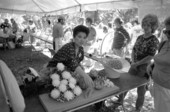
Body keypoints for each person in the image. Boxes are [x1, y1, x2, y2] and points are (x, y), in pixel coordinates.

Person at [114, 14, 159, 112]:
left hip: (144, 67)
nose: (146, 27)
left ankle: (138, 108)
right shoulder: (140, 37)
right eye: (145, 24)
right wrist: (133, 62)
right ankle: (120, 100)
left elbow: (150, 56)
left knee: (141, 89)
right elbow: (134, 50)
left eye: (149, 25)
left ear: (153, 27)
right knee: (125, 83)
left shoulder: (154, 40)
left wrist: (137, 64)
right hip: (134, 64)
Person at [47, 25, 94, 97]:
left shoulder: (81, 49)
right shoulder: (69, 47)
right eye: (79, 36)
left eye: (84, 37)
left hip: (66, 69)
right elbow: (73, 64)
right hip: (54, 69)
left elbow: (77, 63)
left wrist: (84, 74)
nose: (82, 40)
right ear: (74, 37)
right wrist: (86, 76)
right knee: (62, 86)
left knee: (79, 80)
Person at [147, 16, 170, 112]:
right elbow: (159, 58)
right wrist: (152, 64)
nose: (167, 34)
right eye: (166, 31)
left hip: (166, 89)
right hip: (157, 84)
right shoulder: (164, 43)